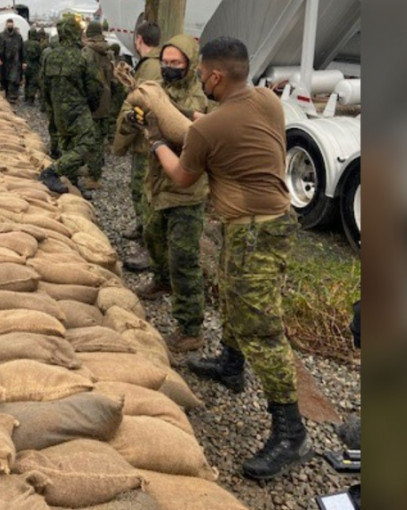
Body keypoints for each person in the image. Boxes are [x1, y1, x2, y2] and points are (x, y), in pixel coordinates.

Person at [132, 36, 313, 480]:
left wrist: (156, 139)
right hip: (262, 224)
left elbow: (181, 172)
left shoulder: (211, 131)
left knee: (262, 328)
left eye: (200, 74)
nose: (196, 79)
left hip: (256, 231)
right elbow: (214, 122)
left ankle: (292, 433)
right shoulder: (266, 101)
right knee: (232, 300)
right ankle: (232, 365)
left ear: (213, 76)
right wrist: (188, 121)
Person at [126, 34, 210, 352]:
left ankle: (190, 328)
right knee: (152, 236)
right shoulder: (160, 86)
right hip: (159, 181)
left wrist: (158, 117)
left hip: (186, 190)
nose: (169, 67)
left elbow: (188, 129)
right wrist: (139, 120)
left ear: (189, 64)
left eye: (176, 63)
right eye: (165, 62)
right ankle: (161, 280)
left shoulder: (199, 96)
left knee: (184, 258)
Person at [112, 20, 162, 269]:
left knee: (144, 192)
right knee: (138, 189)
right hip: (146, 138)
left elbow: (142, 102)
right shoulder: (150, 65)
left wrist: (123, 136)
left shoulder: (150, 67)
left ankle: (149, 248)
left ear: (139, 39)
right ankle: (142, 229)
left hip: (147, 140)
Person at [38, 17, 103, 198]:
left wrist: (52, 107)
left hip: (59, 111)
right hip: (78, 109)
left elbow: (43, 85)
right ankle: (52, 172)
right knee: (87, 144)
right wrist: (91, 108)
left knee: (68, 145)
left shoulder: (49, 56)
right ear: (76, 33)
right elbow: (94, 89)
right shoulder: (82, 58)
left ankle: (72, 185)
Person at [80, 20, 114, 188]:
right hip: (105, 100)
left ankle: (93, 176)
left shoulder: (87, 52)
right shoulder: (109, 52)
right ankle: (94, 169)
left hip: (91, 101)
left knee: (91, 139)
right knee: (99, 137)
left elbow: (84, 78)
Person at [0, 18, 26, 103]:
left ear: (13, 25)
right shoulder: (1, 36)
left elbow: (22, 49)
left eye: (11, 24)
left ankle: (12, 97)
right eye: (8, 24)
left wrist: (24, 61)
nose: (10, 26)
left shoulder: (18, 37)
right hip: (4, 61)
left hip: (15, 61)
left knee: (14, 79)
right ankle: (7, 93)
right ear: (6, 25)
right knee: (4, 79)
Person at [23, 28, 43, 104]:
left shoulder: (24, 43)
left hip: (25, 64)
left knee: (27, 81)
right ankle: (31, 98)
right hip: (34, 65)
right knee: (33, 82)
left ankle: (26, 96)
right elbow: (40, 55)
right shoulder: (37, 44)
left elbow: (21, 53)